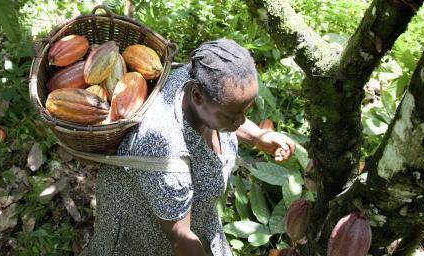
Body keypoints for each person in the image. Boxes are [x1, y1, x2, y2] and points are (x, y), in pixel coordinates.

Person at [81, 39, 295, 256]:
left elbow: (231, 111)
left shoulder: (202, 78)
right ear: (197, 97)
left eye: (246, 110)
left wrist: (258, 136)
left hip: (189, 214)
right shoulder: (166, 151)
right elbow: (180, 238)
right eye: (232, 116)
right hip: (141, 223)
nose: (241, 121)